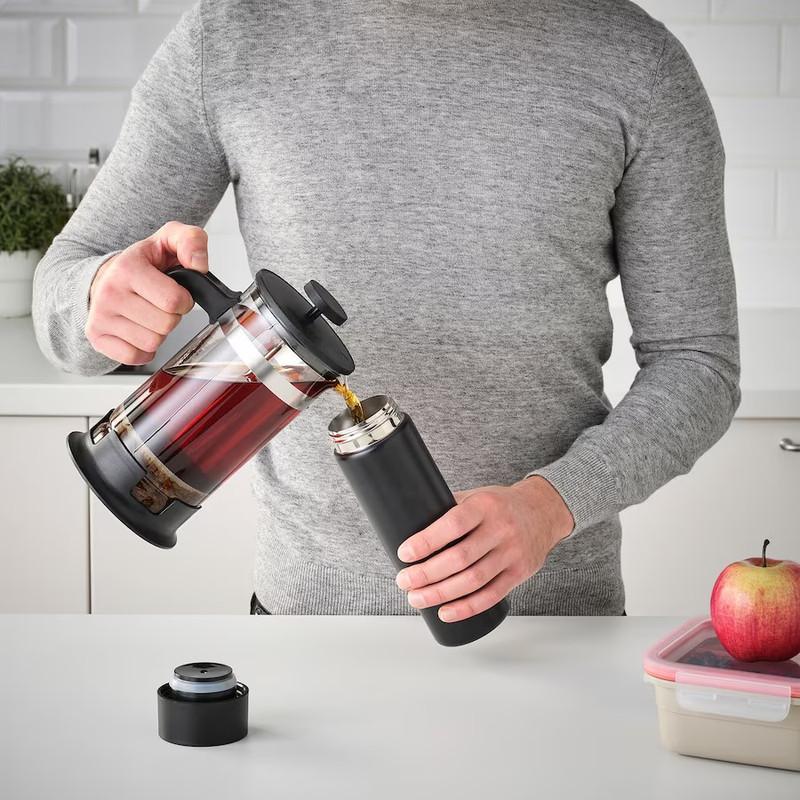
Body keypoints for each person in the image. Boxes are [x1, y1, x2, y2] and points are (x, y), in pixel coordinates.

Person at [33, 0, 740, 618]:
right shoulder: (229, 36)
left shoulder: (635, 61)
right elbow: (63, 295)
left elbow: (698, 363)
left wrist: (551, 506)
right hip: (308, 623)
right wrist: (97, 297)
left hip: (559, 627)